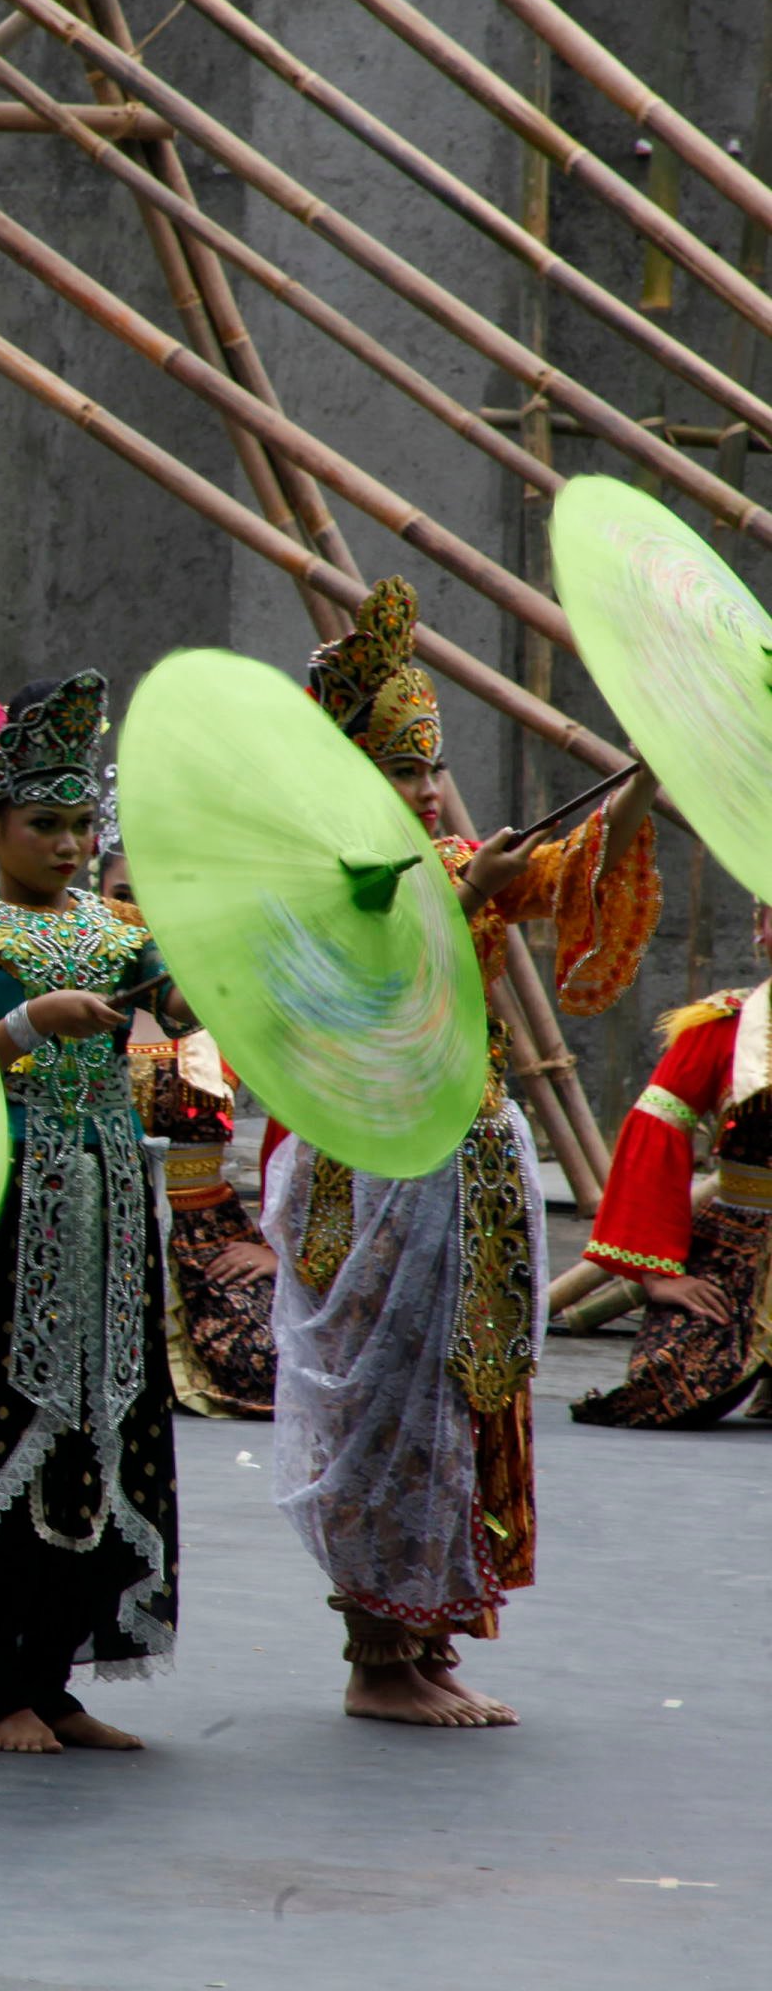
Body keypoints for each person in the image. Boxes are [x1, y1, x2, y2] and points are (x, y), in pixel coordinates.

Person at [261, 576, 660, 1727]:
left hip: (469, 1168)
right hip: (372, 1167)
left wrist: (645, 777)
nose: (429, 788)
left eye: (432, 767)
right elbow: (346, 980)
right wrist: (446, 892)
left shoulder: (461, 860)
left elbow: (562, 871)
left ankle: (429, 1634)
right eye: (402, 769)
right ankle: (376, 1657)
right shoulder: (314, 882)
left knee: (464, 1396)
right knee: (386, 1406)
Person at [0, 671, 192, 1755]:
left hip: (110, 1207)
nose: (67, 844)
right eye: (45, 824)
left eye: (82, 824)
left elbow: (188, 1019)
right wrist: (24, 1022)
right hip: (1, 1210)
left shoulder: (121, 928)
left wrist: (209, 959)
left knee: (102, 1425)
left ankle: (54, 1675)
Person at [570, 900, 772, 1428]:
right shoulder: (718, 1028)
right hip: (738, 1243)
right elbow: (653, 1133)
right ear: (761, 930)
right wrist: (658, 1275)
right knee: (666, 1389)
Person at [97, 850, 279, 1420]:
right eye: (123, 896)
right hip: (101, 1222)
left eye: (158, 896)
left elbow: (308, 1128)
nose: (139, 914)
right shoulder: (76, 1001)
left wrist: (281, 1248)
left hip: (206, 1232)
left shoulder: (224, 999)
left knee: (272, 1362)